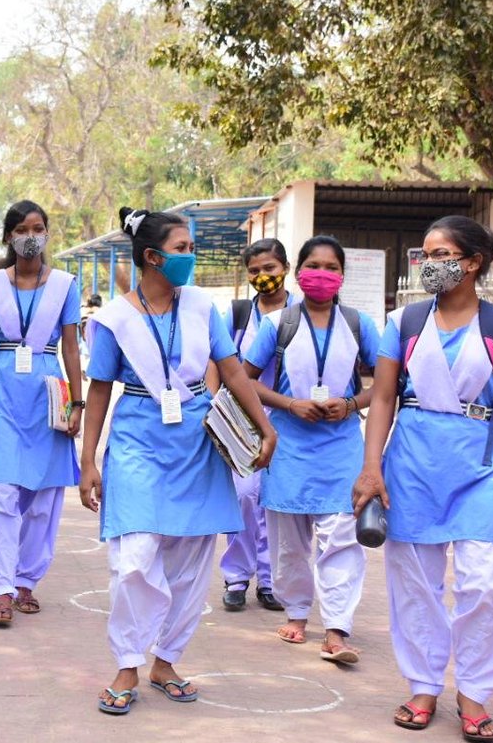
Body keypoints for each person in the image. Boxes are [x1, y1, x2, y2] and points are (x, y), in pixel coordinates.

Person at [80, 207, 277, 716]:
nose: (190, 256)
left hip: (196, 439)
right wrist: (88, 462)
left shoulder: (201, 307)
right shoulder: (114, 319)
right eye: (182, 249)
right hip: (137, 440)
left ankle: (165, 660)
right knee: (135, 558)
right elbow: (99, 390)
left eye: (190, 248)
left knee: (190, 560)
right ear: (152, 256)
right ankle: (128, 661)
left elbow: (232, 371)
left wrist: (265, 427)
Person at [353, 216, 493, 740]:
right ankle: (424, 684)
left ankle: (474, 691)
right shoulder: (404, 322)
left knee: (486, 585)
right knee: (414, 585)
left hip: (483, 470)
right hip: (411, 465)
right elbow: (382, 398)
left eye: (441, 255)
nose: (428, 264)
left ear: (472, 263)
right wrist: (371, 468)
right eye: (425, 255)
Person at [243, 235, 380, 664]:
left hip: (342, 447)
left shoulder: (360, 324)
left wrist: (352, 403)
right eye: (314, 265)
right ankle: (297, 613)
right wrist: (290, 404)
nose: (322, 274)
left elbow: (386, 384)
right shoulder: (277, 324)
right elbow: (244, 379)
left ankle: (337, 628)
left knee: (343, 537)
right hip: (288, 445)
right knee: (289, 541)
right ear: (298, 271)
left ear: (342, 276)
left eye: (331, 267)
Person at [0, 200, 82, 626]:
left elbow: (71, 347)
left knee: (42, 499)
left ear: (47, 233)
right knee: (0, 494)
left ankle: (26, 581)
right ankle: (0, 589)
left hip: (48, 398)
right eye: (21, 229)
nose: (30, 236)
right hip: (1, 398)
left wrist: (77, 404)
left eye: (37, 228)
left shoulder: (65, 285)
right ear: (8, 237)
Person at [219, 239, 296, 612]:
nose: (263, 276)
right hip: (244, 420)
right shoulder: (237, 316)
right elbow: (218, 360)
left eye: (269, 268)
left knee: (277, 503)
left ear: (286, 268)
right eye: (254, 271)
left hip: (292, 419)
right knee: (245, 497)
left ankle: (271, 580)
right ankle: (236, 575)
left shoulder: (303, 312)